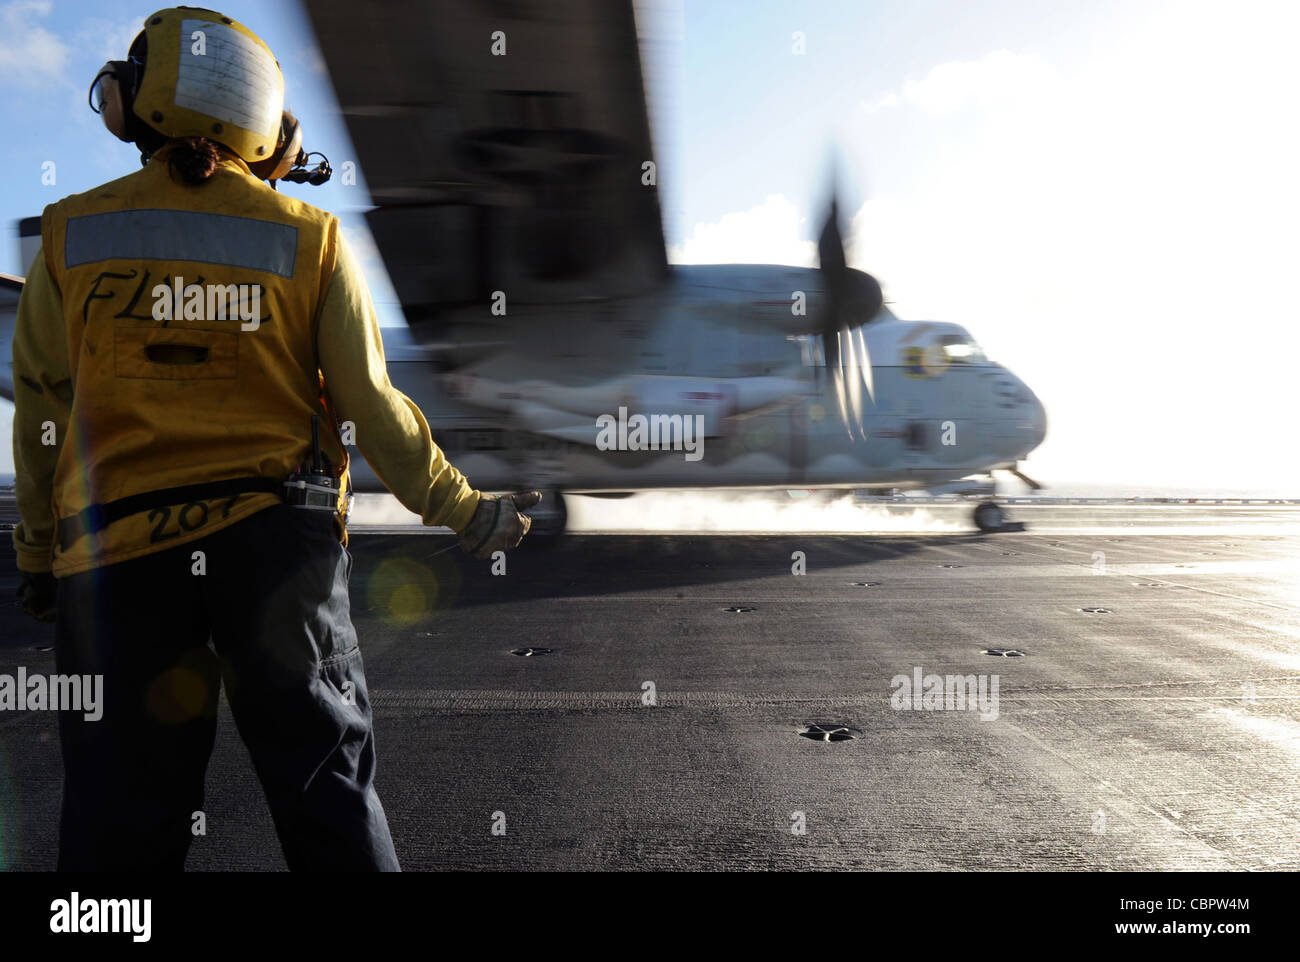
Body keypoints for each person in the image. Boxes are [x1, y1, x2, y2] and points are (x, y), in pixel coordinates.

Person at [10, 6, 537, 871]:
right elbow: (371, 403)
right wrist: (465, 510)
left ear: (136, 103)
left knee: (116, 818)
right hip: (276, 553)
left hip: (114, 565)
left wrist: (38, 555)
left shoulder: (70, 235)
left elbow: (40, 411)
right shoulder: (311, 240)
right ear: (274, 136)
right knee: (327, 794)